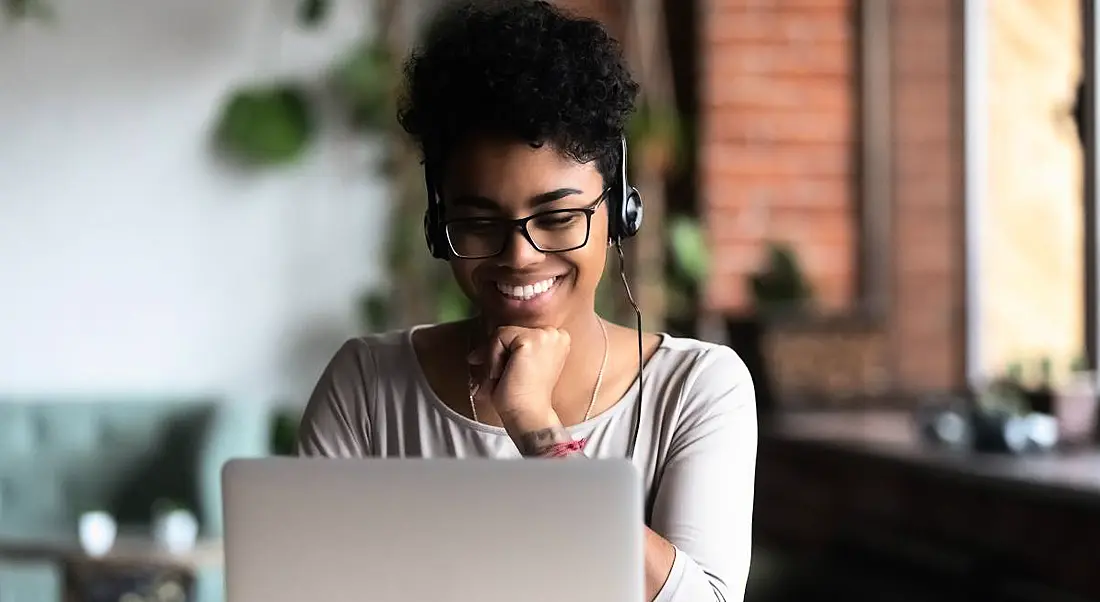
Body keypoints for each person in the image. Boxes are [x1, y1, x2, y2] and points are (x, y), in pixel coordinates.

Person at [297, 1, 757, 601]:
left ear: (618, 210)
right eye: (480, 223)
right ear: (440, 228)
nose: (520, 257)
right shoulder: (367, 386)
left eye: (559, 217)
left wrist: (537, 428)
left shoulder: (697, 387)